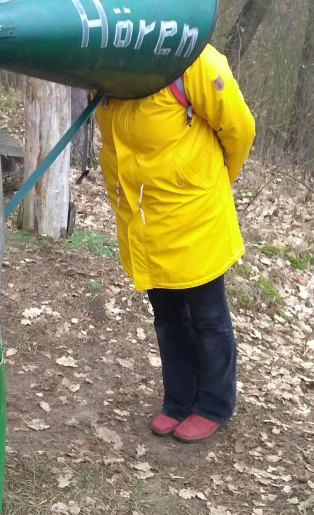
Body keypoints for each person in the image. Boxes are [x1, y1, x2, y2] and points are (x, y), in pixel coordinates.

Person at [96, 44, 256, 443]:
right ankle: (178, 400)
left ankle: (214, 404)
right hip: (146, 220)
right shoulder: (108, 68)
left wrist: (211, 185)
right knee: (168, 318)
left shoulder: (193, 60)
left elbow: (240, 130)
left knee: (208, 316)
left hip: (195, 216)